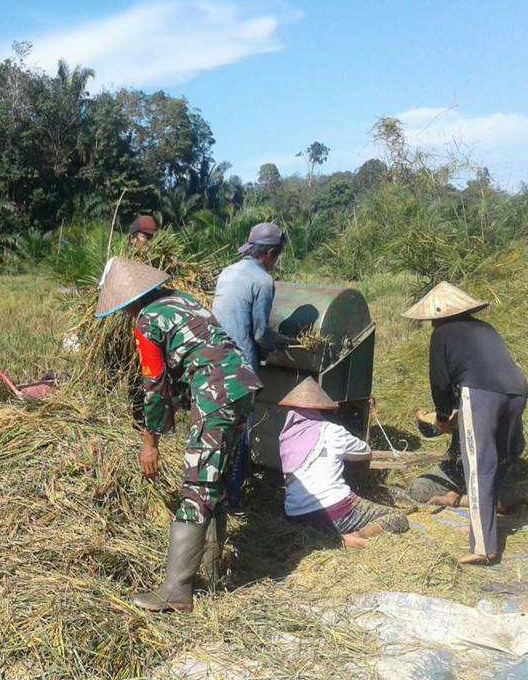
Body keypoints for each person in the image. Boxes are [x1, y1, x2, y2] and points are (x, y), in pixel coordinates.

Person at [95, 256, 261, 612]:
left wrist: (150, 441)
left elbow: (153, 385)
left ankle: (175, 590)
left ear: (126, 301)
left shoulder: (146, 319)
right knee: (212, 481)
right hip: (241, 386)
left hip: (217, 392)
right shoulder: (180, 300)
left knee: (197, 485)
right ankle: (211, 574)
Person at [402, 281, 528, 565]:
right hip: (517, 391)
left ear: (436, 315)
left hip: (481, 394)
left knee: (478, 465)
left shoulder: (442, 333)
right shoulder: (486, 329)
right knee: (499, 458)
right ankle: (489, 517)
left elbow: (440, 382)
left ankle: (483, 548)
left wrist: (443, 417)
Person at [212, 222, 296, 506]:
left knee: (218, 432)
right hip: (241, 368)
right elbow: (260, 333)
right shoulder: (263, 281)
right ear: (271, 253)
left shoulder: (227, 272)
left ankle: (215, 492)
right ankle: (233, 498)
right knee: (243, 432)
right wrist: (280, 342)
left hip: (214, 362)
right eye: (277, 256)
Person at [279, 378, 408, 548]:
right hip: (335, 510)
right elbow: (364, 451)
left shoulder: (285, 437)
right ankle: (350, 538)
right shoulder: (332, 431)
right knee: (398, 519)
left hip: (294, 515)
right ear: (320, 409)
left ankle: (326, 537)